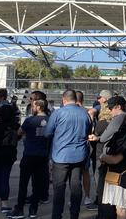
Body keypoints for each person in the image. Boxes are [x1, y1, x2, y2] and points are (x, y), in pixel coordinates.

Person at [44, 89, 92, 219]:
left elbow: (47, 133)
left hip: (61, 156)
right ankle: (74, 215)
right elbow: (89, 131)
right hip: (79, 156)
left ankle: (57, 215)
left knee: (59, 188)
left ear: (64, 99)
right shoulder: (85, 114)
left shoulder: (58, 113)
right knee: (76, 187)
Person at [8, 99, 51, 219]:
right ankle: (33, 209)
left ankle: (19, 209)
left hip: (29, 154)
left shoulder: (30, 120)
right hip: (43, 156)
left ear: (38, 107)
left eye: (33, 106)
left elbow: (19, 132)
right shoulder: (50, 120)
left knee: (23, 183)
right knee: (37, 184)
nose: (32, 108)